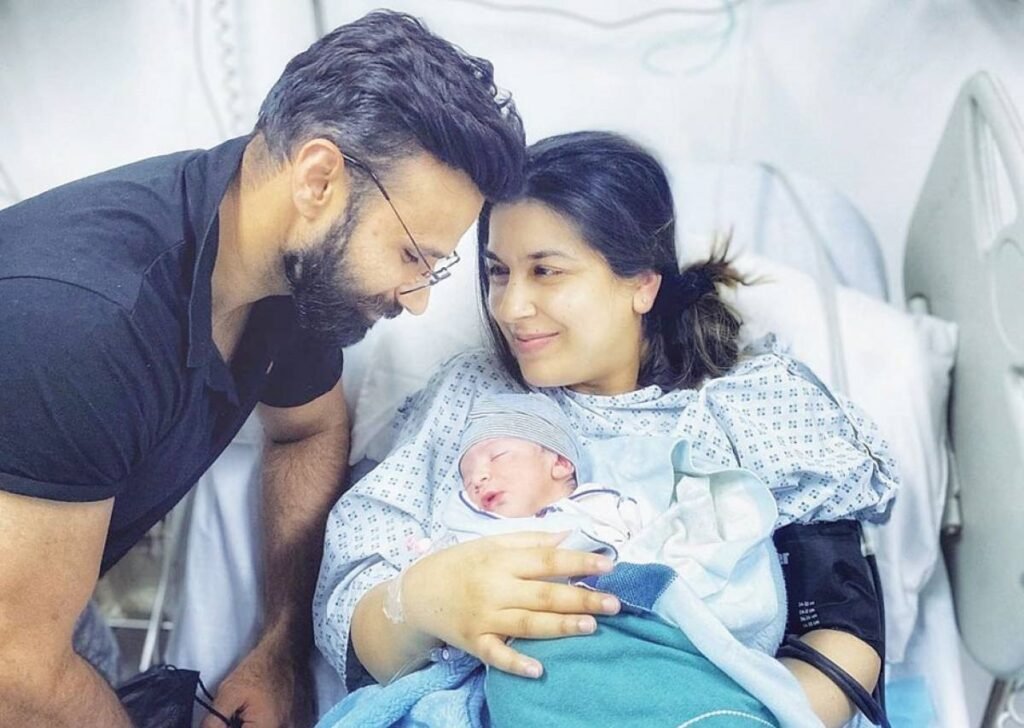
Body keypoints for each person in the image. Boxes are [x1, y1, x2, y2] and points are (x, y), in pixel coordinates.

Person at [0, 10, 525, 728]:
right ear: (318, 179)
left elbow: (307, 429)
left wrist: (279, 646)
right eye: (412, 256)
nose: (418, 297)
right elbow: (18, 672)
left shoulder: (288, 270)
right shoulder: (86, 322)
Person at [313, 131, 898, 728]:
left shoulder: (747, 407)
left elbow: (844, 630)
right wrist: (425, 601)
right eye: (498, 272)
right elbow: (354, 622)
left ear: (642, 282)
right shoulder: (470, 397)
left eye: (546, 271)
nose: (510, 306)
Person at [317, 391, 787, 727]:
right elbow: (439, 599)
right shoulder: (474, 537)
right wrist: (427, 586)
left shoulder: (604, 505)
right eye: (468, 474)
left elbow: (659, 552)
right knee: (522, 681)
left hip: (627, 630)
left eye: (497, 456)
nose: (478, 477)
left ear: (559, 463)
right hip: (535, 656)